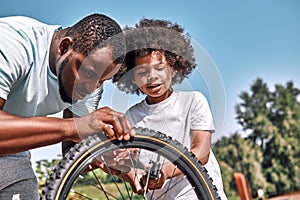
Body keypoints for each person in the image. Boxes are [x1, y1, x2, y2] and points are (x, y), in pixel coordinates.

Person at [0, 13, 134, 199]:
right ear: (65, 47)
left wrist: (102, 156)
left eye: (102, 81)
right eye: (87, 73)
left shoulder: (90, 85)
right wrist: (73, 126)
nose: (91, 88)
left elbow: (72, 149)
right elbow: (73, 129)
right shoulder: (13, 41)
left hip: (11, 153)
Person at [111, 18, 227, 199]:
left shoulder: (194, 101)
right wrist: (129, 170)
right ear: (132, 78)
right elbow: (127, 160)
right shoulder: (132, 116)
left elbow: (201, 152)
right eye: (141, 72)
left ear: (174, 68)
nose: (151, 77)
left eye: (159, 68)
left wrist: (165, 172)